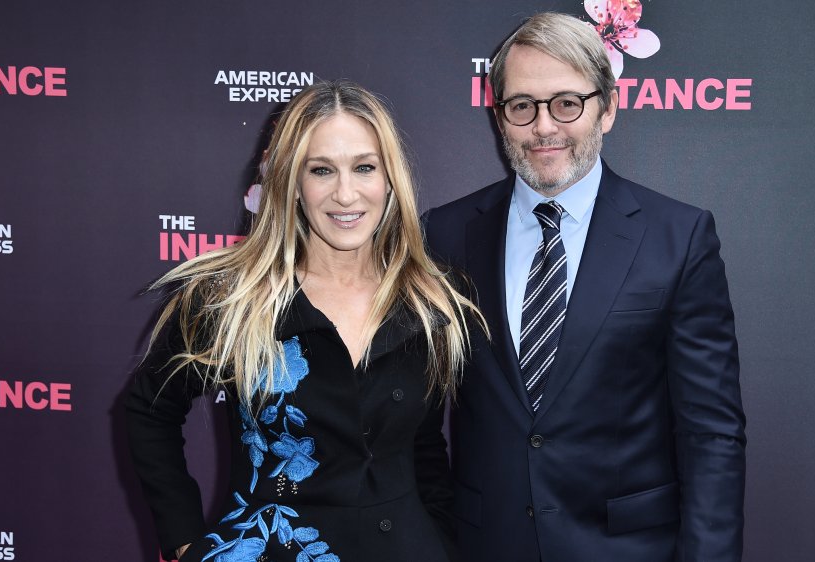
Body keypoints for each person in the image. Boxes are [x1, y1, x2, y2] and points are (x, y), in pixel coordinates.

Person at [423, 12, 746, 562]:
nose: (544, 126)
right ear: (499, 116)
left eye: (567, 103)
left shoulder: (679, 236)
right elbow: (418, 424)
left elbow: (710, 434)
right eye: (522, 105)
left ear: (609, 108)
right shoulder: (445, 234)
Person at [126, 80, 482, 562]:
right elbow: (148, 412)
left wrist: (440, 544)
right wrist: (185, 540)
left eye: (364, 167)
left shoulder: (431, 300)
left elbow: (423, 449)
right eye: (321, 170)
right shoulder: (230, 297)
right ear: (293, 183)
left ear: (389, 178)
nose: (345, 193)